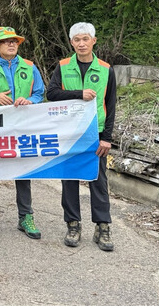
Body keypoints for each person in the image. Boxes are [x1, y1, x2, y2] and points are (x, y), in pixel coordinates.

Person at [46, 22, 116, 251]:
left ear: (93, 41)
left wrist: (107, 138)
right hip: (70, 133)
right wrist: (78, 94)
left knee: (98, 180)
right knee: (69, 179)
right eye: (77, 40)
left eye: (85, 39)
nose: (81, 43)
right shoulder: (63, 66)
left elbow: (111, 104)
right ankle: (73, 225)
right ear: (71, 42)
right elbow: (51, 93)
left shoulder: (106, 69)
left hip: (96, 134)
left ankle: (103, 226)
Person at [0, 26, 45, 241]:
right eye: (6, 41)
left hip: (23, 128)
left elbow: (40, 93)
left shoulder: (30, 67)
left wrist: (29, 100)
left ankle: (26, 217)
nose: (12, 44)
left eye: (14, 41)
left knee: (23, 173)